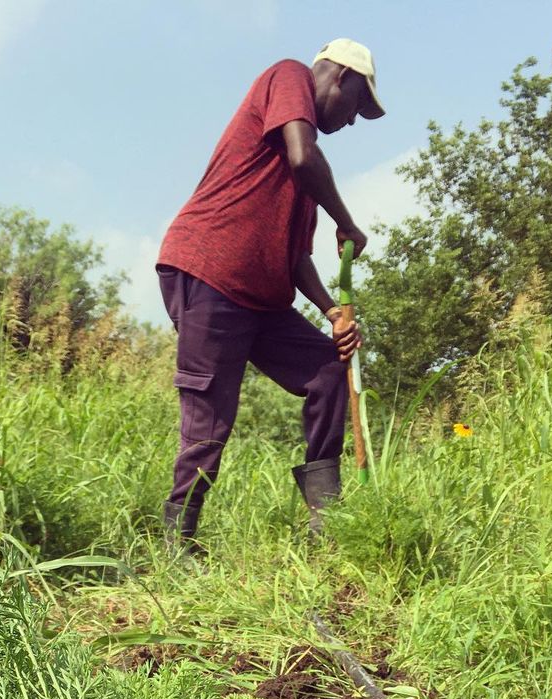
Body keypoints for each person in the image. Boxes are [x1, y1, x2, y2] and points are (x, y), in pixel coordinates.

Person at [156, 39, 384, 550]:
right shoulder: (288, 77)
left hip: (262, 300)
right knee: (213, 410)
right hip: (209, 272)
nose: (350, 123)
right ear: (340, 77)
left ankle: (326, 522)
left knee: (329, 372)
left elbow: (296, 258)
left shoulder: (303, 181)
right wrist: (346, 223)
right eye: (355, 109)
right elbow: (305, 157)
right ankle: (176, 543)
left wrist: (330, 311)